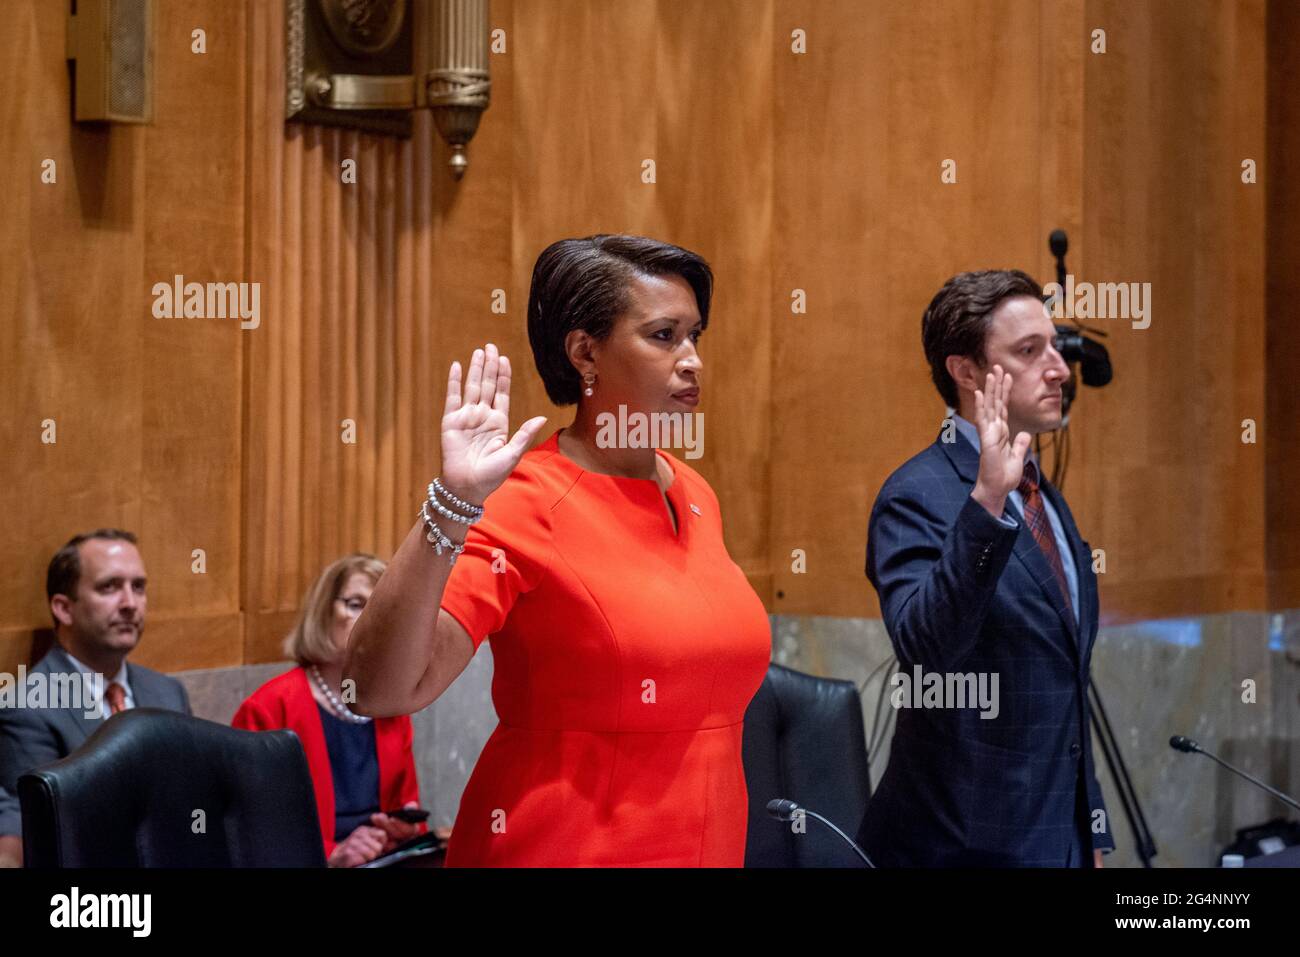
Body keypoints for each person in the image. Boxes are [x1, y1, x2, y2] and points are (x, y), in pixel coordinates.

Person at [345, 234, 771, 866]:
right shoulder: (528, 495)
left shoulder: (696, 492)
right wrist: (452, 502)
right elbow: (376, 690)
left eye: (695, 336)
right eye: (663, 336)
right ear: (584, 352)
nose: (692, 361)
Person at [856, 270, 1115, 867]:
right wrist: (988, 502)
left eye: (1054, 346)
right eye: (1029, 352)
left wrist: (1090, 830)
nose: (1058, 369)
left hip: (1054, 841)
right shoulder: (917, 494)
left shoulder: (1042, 493)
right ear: (967, 372)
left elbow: (1065, 687)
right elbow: (926, 651)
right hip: (959, 848)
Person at [0, 529, 192, 866]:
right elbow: (35, 830)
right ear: (63, 608)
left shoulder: (167, 692)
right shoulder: (29, 705)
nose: (130, 603)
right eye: (109, 587)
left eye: (138, 587)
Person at [232, 554, 426, 867]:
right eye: (356, 604)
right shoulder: (268, 708)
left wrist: (403, 831)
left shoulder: (392, 706)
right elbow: (250, 827)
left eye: (381, 608)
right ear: (324, 611)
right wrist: (333, 854)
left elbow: (408, 809)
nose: (370, 619)